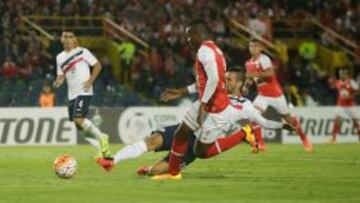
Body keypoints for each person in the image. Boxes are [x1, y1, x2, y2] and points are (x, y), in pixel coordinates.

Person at [96, 69, 294, 176]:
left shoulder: (245, 105)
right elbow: (198, 84)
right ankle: (112, 161)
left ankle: (244, 134)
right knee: (153, 140)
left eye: (230, 79)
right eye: (225, 78)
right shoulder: (215, 88)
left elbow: (262, 121)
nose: (226, 81)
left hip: (196, 147)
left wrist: (281, 125)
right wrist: (180, 91)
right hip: (187, 130)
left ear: (240, 84)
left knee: (154, 173)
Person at [243, 39, 313, 152]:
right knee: (253, 116)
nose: (253, 48)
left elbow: (270, 74)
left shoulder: (264, 59)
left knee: (288, 118)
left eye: (256, 46)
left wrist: (255, 74)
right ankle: (260, 144)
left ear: (260, 48)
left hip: (275, 94)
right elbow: (250, 78)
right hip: (262, 95)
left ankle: (304, 139)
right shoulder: (248, 63)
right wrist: (246, 86)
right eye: (251, 46)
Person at [53, 30, 111, 158]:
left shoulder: (82, 51)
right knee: (79, 126)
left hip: (84, 90)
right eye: (65, 37)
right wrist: (58, 81)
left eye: (70, 37)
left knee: (78, 119)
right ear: (62, 40)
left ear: (74, 39)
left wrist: (91, 81)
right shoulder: (59, 57)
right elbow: (61, 75)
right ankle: (100, 148)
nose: (67, 39)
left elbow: (98, 66)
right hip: (72, 94)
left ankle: (102, 137)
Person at [328, 68, 360, 143]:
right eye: (340, 73)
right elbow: (332, 86)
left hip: (350, 104)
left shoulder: (351, 81)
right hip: (340, 105)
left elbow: (358, 91)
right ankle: (333, 138)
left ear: (346, 74)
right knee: (337, 119)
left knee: (355, 121)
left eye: (343, 73)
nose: (341, 75)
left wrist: (351, 96)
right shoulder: (338, 82)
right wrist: (330, 82)